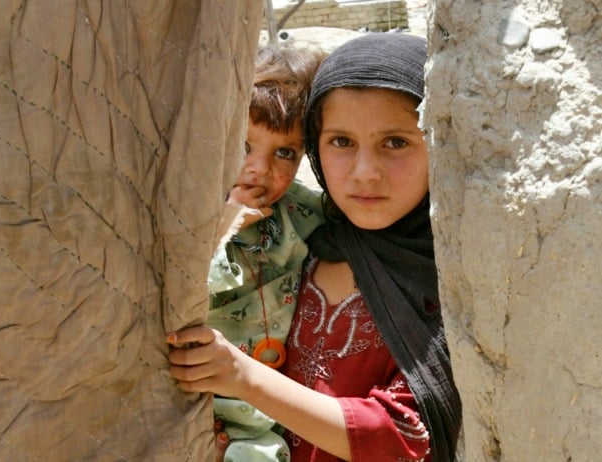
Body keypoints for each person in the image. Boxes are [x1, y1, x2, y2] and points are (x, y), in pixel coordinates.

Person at [168, 33, 462, 462]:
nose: (365, 173)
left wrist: (244, 378)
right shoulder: (304, 240)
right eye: (341, 142)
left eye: (395, 142)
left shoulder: (448, 278)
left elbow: (404, 436)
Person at [204, 44, 324, 461]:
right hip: (202, 412)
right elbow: (181, 292)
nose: (260, 168)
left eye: (285, 153)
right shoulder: (191, 217)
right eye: (243, 145)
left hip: (271, 412)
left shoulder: (299, 210)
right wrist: (224, 227)